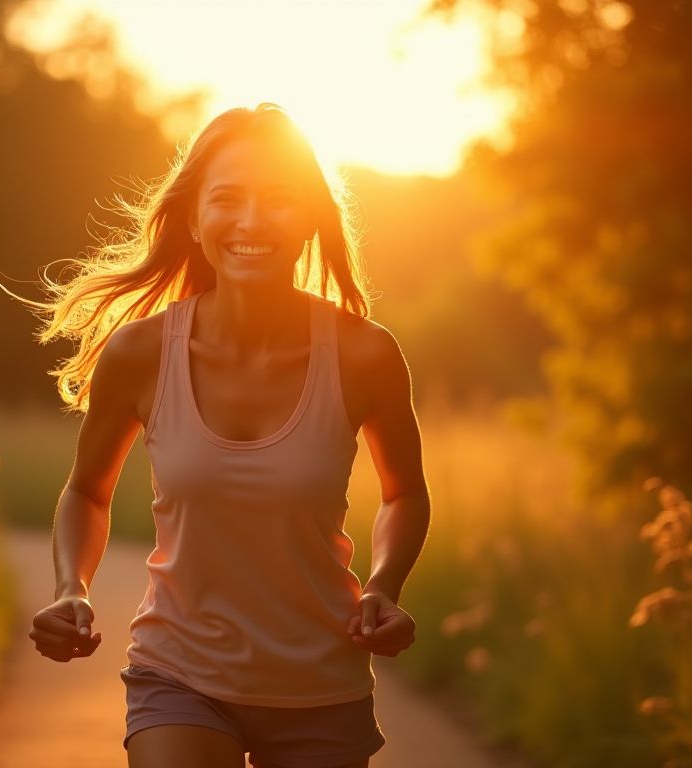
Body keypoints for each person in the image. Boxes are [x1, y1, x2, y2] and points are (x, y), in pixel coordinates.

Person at [22, 103, 431, 768]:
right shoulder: (141, 354)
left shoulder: (364, 355)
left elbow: (405, 493)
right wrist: (73, 588)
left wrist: (385, 585)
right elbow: (86, 494)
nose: (250, 222)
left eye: (277, 200)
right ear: (194, 216)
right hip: (179, 674)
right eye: (228, 199)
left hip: (321, 686)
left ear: (307, 220)